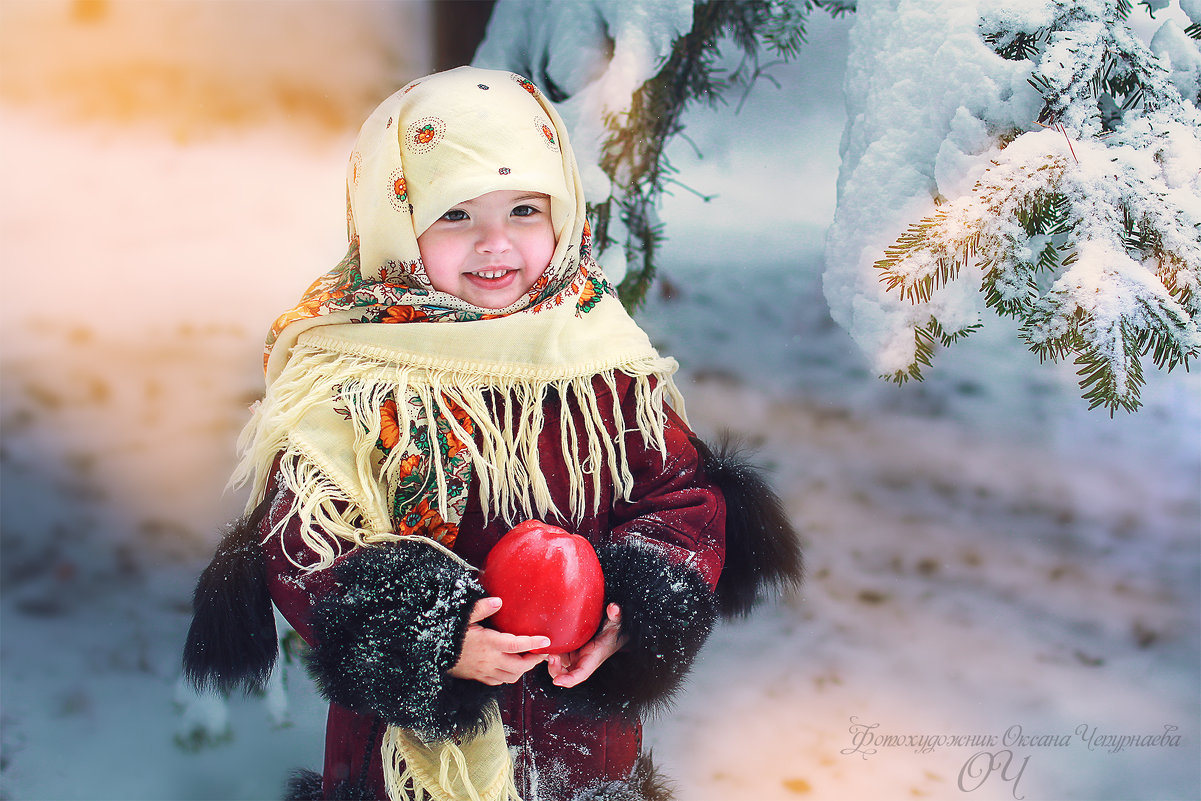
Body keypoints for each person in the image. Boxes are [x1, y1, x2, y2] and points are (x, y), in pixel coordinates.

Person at [184, 66, 800, 801]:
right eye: (454, 215)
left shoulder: (596, 355)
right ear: (393, 219)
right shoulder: (352, 373)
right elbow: (303, 541)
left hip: (578, 749)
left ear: (563, 210)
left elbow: (676, 492)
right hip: (406, 758)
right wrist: (427, 640)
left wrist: (633, 609)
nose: (495, 244)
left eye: (524, 210)